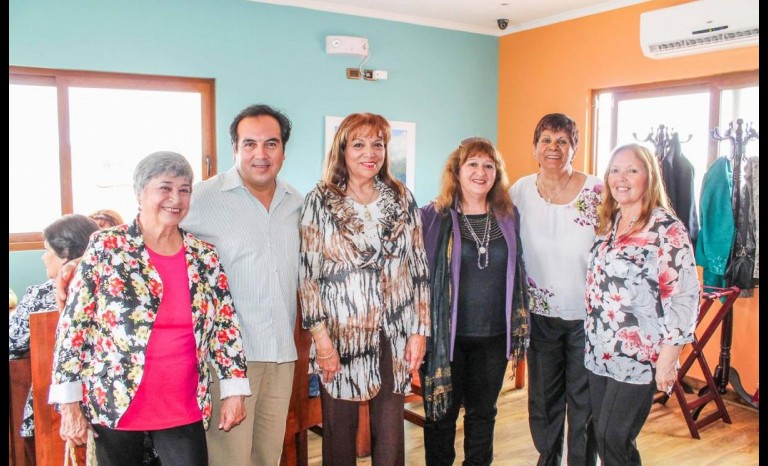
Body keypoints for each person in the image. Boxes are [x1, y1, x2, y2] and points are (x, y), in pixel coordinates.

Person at [48, 151, 250, 466]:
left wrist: (234, 388)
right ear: (140, 193)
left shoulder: (204, 255)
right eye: (165, 188)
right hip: (117, 399)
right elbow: (75, 326)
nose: (176, 198)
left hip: (182, 402)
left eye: (184, 189)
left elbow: (226, 325)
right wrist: (69, 403)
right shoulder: (107, 247)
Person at [298, 112, 430, 465]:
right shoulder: (321, 200)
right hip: (341, 336)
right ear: (342, 150)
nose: (369, 152)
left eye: (378, 144)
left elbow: (419, 268)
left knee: (390, 436)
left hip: (395, 332)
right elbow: (308, 277)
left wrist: (419, 331)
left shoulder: (402, 198)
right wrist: (321, 341)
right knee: (338, 437)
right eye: (359, 144)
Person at [181, 104, 304, 466]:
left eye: (271, 143)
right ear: (235, 148)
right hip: (229, 358)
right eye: (249, 144)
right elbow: (149, 230)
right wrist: (77, 263)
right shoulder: (203, 197)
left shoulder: (296, 202)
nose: (260, 154)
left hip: (282, 353)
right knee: (229, 459)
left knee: (268, 456)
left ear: (283, 150)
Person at [585, 143, 700, 465]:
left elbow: (685, 295)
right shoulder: (608, 222)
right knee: (600, 433)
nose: (621, 178)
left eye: (632, 170)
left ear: (649, 177)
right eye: (615, 170)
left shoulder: (666, 229)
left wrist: (669, 356)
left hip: (639, 355)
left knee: (614, 437)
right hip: (599, 350)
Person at [419, 137, 529, 466]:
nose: (481, 172)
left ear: (496, 173)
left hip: (493, 338)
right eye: (473, 164)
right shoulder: (433, 216)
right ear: (457, 170)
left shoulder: (509, 217)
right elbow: (419, 278)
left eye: (489, 166)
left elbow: (518, 269)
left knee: (483, 416)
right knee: (441, 418)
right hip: (446, 339)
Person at [509, 113, 601, 466]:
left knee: (583, 403)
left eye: (562, 141)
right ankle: (548, 460)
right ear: (534, 148)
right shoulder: (519, 191)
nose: (553, 147)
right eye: (546, 140)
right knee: (544, 402)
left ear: (574, 148)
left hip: (587, 318)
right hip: (540, 316)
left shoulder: (597, 191)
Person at [9, 214, 100, 441]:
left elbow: (12, 344)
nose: (43, 257)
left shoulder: (40, 295)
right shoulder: (114, 287)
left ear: (65, 255)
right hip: (113, 405)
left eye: (47, 250)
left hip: (50, 414)